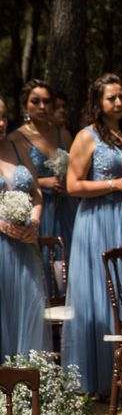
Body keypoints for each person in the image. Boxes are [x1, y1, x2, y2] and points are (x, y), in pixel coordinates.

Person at [62, 73, 122, 394]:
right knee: (99, 295)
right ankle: (100, 378)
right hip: (95, 221)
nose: (118, 102)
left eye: (121, 96)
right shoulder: (86, 136)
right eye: (111, 98)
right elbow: (72, 185)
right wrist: (113, 184)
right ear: (98, 102)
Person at [10, 80, 77, 288]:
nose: (42, 107)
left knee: (68, 262)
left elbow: (77, 170)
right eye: (35, 101)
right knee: (42, 266)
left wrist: (68, 183)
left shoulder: (63, 134)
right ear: (25, 105)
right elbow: (10, 179)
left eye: (47, 102)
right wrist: (43, 181)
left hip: (66, 208)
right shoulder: (17, 138)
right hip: (38, 208)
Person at [0, 92, 50, 357]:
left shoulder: (18, 147)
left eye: (4, 117)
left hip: (24, 246)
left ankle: (25, 383)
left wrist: (35, 220)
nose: (1, 123)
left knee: (28, 307)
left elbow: (37, 190)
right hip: (1, 246)